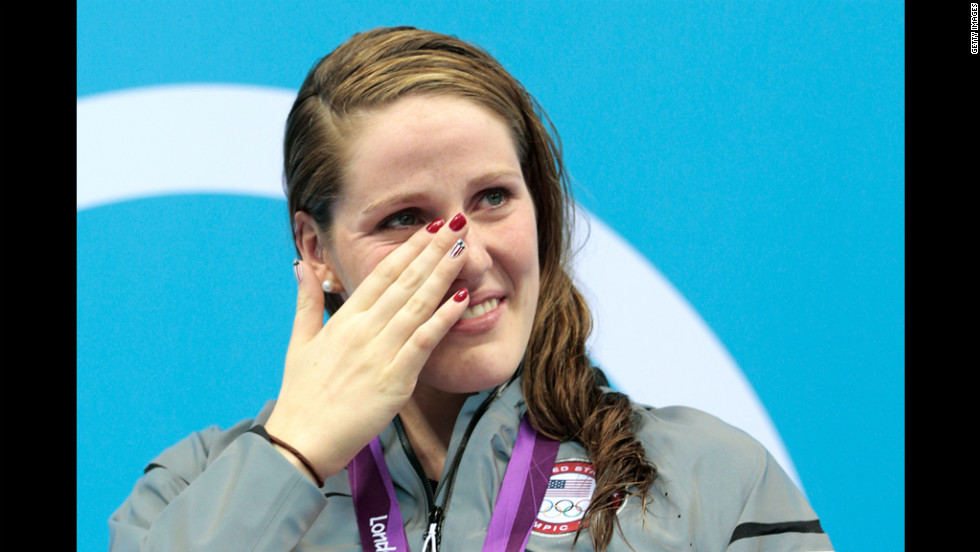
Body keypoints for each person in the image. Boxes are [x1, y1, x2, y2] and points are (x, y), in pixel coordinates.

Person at [108, 27, 834, 552]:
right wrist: (289, 460)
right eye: (405, 219)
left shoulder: (716, 483)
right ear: (315, 250)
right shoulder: (190, 490)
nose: (465, 253)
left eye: (492, 199)